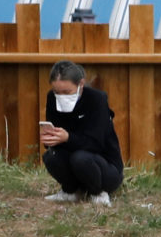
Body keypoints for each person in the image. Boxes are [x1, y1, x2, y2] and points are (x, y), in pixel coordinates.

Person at [38, 60, 122, 205]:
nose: (61, 96)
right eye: (57, 92)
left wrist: (68, 138)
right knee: (51, 156)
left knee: (81, 158)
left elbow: (97, 144)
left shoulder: (97, 99)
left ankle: (98, 193)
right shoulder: (52, 98)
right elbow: (58, 144)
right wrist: (51, 139)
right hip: (74, 163)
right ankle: (70, 191)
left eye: (66, 92)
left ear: (81, 84)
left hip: (105, 168)